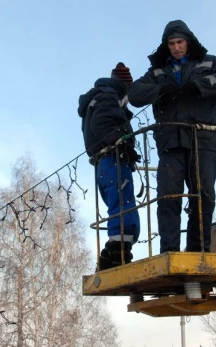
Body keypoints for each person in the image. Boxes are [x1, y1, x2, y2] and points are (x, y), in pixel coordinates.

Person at [128, 20, 216, 253]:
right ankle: (169, 251)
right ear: (166, 46)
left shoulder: (210, 62)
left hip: (204, 140)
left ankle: (198, 251)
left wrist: (200, 85)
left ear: (188, 42)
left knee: (204, 195)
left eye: (180, 42)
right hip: (171, 143)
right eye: (171, 43)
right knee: (169, 197)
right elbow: (135, 94)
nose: (176, 47)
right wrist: (160, 89)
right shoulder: (158, 72)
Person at [78, 62, 141, 270]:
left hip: (102, 161)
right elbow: (103, 123)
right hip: (113, 157)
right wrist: (122, 143)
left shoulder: (97, 97)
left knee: (116, 204)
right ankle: (118, 252)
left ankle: (109, 255)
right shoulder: (108, 96)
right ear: (125, 87)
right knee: (123, 203)